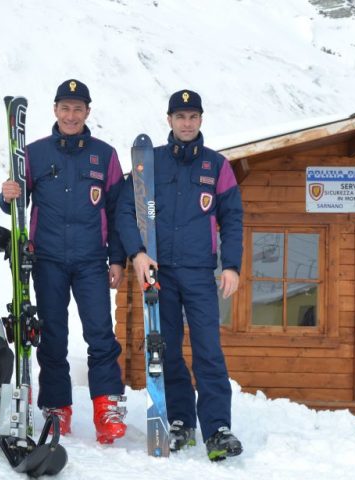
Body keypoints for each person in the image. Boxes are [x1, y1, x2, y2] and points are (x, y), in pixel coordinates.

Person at [116, 89, 244, 461]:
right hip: (159, 272)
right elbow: (126, 210)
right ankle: (182, 423)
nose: (186, 123)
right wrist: (137, 254)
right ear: (169, 120)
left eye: (193, 117)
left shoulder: (216, 167)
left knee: (209, 350)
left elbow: (232, 218)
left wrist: (231, 265)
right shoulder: (149, 163)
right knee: (166, 350)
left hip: (200, 272)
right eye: (180, 117)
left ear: (201, 120)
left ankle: (217, 428)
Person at [0, 79, 127, 444]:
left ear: (88, 112)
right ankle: (57, 407)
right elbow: (15, 204)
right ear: (55, 110)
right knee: (52, 334)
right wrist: (6, 194)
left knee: (100, 334)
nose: (71, 115)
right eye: (65, 108)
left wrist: (116, 260)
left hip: (90, 260)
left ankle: (106, 406)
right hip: (48, 259)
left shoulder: (105, 155)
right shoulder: (35, 154)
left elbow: (118, 211)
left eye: (78, 108)